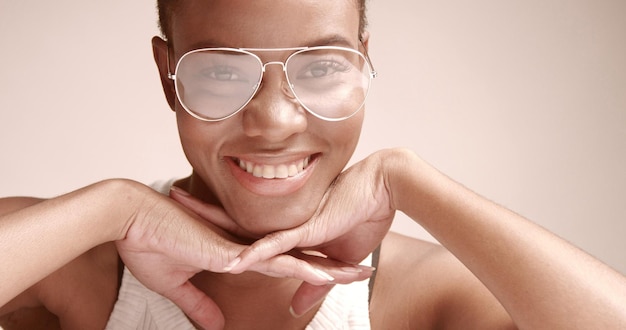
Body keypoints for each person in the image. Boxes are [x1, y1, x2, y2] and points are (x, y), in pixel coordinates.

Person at [1, 0, 625, 329]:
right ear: (169, 77)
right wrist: (114, 205)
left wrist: (404, 178)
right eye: (221, 71)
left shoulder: (414, 296)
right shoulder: (84, 266)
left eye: (322, 67)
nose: (275, 121)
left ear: (363, 61)